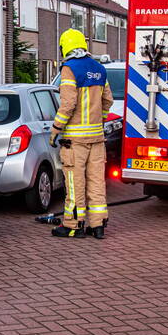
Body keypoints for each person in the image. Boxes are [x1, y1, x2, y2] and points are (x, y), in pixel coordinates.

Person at [49, 29, 113, 239]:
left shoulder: (69, 69)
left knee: (75, 183)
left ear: (65, 46)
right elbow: (107, 102)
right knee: (96, 182)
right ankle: (98, 225)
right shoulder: (99, 68)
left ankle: (73, 225)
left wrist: (56, 129)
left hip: (75, 140)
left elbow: (68, 104)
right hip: (97, 137)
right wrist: (99, 120)